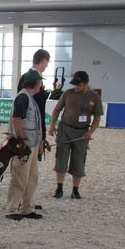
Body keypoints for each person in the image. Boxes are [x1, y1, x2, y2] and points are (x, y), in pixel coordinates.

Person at [48, 70, 103, 200]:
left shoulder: (94, 97)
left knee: (78, 161)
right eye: (75, 85)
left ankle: (75, 190)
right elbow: (57, 109)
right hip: (65, 130)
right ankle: (59, 188)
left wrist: (90, 132)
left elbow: (97, 117)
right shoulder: (67, 94)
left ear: (86, 84)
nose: (76, 87)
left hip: (82, 133)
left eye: (79, 85)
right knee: (61, 159)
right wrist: (52, 125)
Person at [4, 69, 45, 221]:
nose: (41, 85)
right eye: (40, 82)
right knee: (20, 177)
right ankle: (12, 208)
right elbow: (16, 120)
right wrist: (22, 140)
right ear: (36, 83)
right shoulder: (23, 98)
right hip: (24, 146)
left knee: (32, 177)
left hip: (32, 145)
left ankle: (27, 208)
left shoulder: (29, 97)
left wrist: (39, 142)